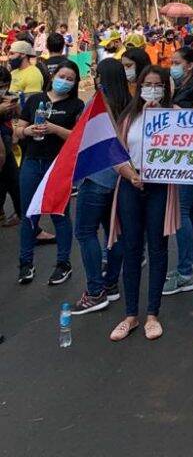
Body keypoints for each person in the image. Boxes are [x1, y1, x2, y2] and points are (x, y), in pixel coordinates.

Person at [109, 66, 178, 341]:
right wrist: (130, 175)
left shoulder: (175, 115)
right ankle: (130, 315)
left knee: (158, 248)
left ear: (165, 88)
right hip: (131, 186)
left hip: (160, 188)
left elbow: (188, 151)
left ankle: (152, 313)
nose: (152, 89)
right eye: (147, 84)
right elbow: (115, 153)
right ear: (139, 87)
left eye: (158, 84)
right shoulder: (129, 116)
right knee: (132, 248)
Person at [71, 58, 130, 314]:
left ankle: (95, 291)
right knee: (112, 233)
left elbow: (80, 136)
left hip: (95, 178)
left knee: (85, 233)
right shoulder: (130, 105)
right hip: (119, 179)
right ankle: (111, 283)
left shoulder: (95, 105)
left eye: (96, 74)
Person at [18, 61, 83, 286]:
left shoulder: (76, 104)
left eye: (70, 79)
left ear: (75, 83)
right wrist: (26, 130)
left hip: (58, 166)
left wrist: (54, 129)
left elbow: (78, 138)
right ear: (53, 75)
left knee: (59, 214)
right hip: (31, 162)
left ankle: (63, 263)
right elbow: (18, 129)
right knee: (29, 214)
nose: (64, 81)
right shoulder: (36, 99)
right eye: (62, 76)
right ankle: (25, 263)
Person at [163, 46, 193, 296]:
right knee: (190, 210)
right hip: (181, 157)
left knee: (181, 213)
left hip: (188, 159)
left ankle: (184, 273)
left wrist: (177, 114)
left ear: (190, 64)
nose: (172, 65)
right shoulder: (183, 85)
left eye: (176, 61)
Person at [0, 66, 21, 226]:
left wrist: (14, 107)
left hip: (6, 138)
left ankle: (21, 213)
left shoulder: (7, 96)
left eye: (6, 85)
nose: (3, 89)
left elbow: (18, 116)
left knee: (12, 178)